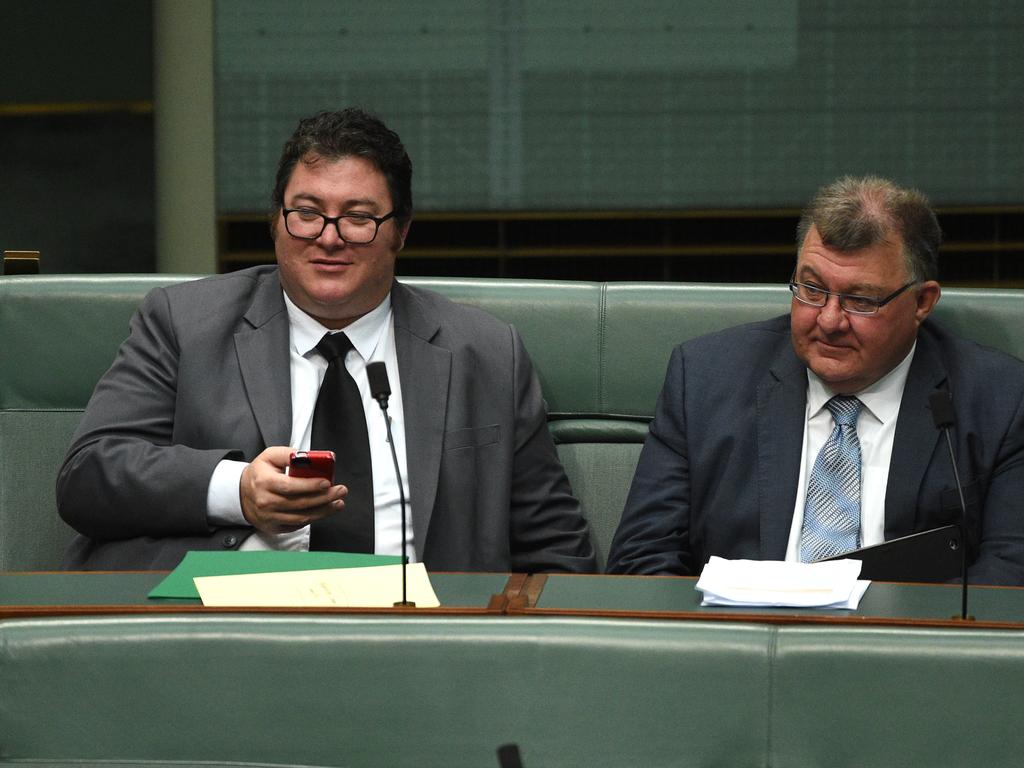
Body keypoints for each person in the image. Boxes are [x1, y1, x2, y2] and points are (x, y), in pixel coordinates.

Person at [57, 108, 596, 573]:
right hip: (232, 629)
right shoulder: (183, 324)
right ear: (276, 220)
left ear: (401, 231)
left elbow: (555, 545)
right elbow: (89, 475)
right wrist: (237, 490)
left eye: (359, 218)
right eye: (308, 214)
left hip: (424, 641)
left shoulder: (485, 351)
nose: (329, 237)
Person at [607, 175, 1024, 585]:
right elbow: (641, 559)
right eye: (811, 289)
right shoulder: (704, 377)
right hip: (738, 640)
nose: (828, 320)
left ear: (922, 302)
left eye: (860, 300)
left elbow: (1010, 571)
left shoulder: (998, 399)